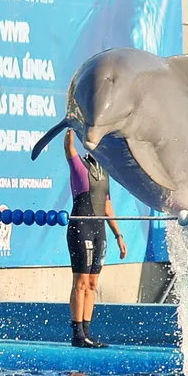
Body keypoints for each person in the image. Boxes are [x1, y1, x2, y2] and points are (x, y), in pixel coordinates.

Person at [64, 132, 126, 348]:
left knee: (92, 283)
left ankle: (87, 333)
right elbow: (68, 148)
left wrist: (118, 235)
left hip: (99, 232)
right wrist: (70, 128)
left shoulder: (104, 173)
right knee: (80, 282)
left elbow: (107, 207)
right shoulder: (79, 166)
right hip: (81, 229)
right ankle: (77, 334)